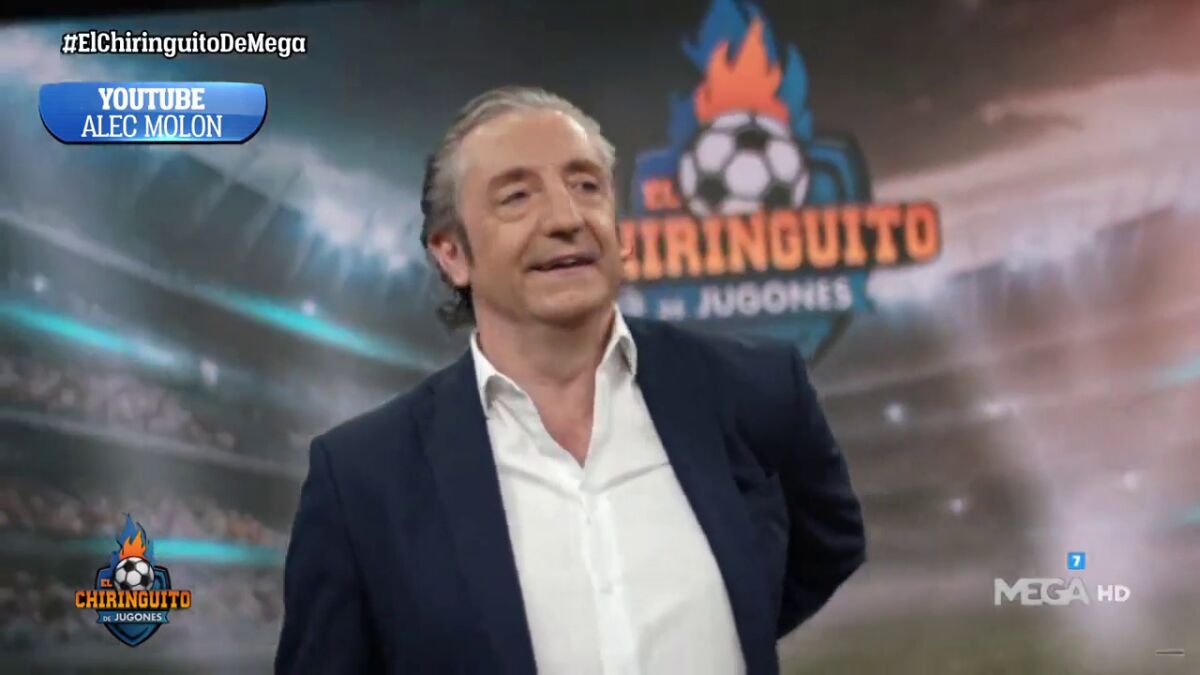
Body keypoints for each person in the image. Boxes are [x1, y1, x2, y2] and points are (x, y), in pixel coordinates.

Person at [276, 86, 866, 675]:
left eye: (586, 185)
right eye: (516, 197)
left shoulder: (755, 389)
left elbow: (826, 548)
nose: (566, 218)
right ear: (452, 253)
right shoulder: (362, 479)